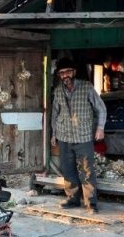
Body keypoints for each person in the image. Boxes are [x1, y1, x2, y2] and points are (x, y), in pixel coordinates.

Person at [51, 57, 106, 213]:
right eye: (62, 73)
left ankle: (91, 203)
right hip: (64, 136)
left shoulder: (86, 87)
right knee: (67, 169)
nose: (65, 75)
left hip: (83, 136)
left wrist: (100, 128)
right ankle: (72, 199)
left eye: (68, 71)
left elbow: (101, 109)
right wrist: (54, 134)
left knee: (87, 170)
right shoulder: (58, 90)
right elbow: (54, 114)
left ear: (74, 72)